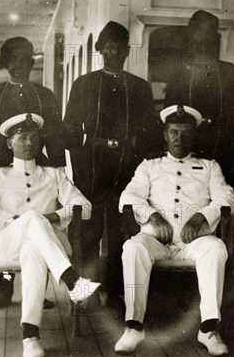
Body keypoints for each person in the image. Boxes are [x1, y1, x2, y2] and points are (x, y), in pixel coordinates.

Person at [0, 113, 100, 357]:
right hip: (8, 243)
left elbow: (83, 205)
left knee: (33, 248)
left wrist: (54, 217)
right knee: (30, 219)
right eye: (22, 137)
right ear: (9, 143)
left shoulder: (54, 174)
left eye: (34, 137)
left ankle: (30, 337)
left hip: (45, 244)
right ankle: (72, 281)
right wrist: (13, 220)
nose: (29, 143)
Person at [115, 104, 234, 356]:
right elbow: (127, 197)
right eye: (173, 132)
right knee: (132, 247)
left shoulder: (209, 166)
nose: (178, 138)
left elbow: (228, 199)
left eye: (184, 132)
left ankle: (209, 329)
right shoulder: (150, 166)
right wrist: (153, 216)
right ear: (164, 134)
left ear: (194, 135)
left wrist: (202, 216)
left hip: (194, 242)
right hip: (155, 240)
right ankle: (133, 326)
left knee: (216, 249)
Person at [63, 21, 161, 300]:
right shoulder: (84, 84)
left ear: (127, 51)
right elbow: (70, 130)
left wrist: (140, 165)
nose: (114, 53)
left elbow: (151, 134)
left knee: (124, 230)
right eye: (109, 48)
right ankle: (87, 289)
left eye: (120, 48)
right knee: (89, 230)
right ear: (100, 50)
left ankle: (117, 291)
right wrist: (81, 160)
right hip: (91, 168)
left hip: (127, 170)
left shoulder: (139, 87)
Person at [0, 36, 66, 310]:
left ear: (32, 62)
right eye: (13, 60)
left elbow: (56, 136)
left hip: (37, 168)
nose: (20, 65)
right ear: (5, 63)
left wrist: (57, 170)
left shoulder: (44, 95)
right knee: (2, 227)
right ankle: (3, 289)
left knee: (41, 222)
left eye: (25, 60)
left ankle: (37, 289)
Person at [164, 10, 234, 190]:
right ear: (190, 35)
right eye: (198, 32)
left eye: (208, 32)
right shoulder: (179, 73)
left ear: (215, 36)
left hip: (223, 153)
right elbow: (170, 118)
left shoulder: (230, 72)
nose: (203, 38)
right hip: (188, 154)